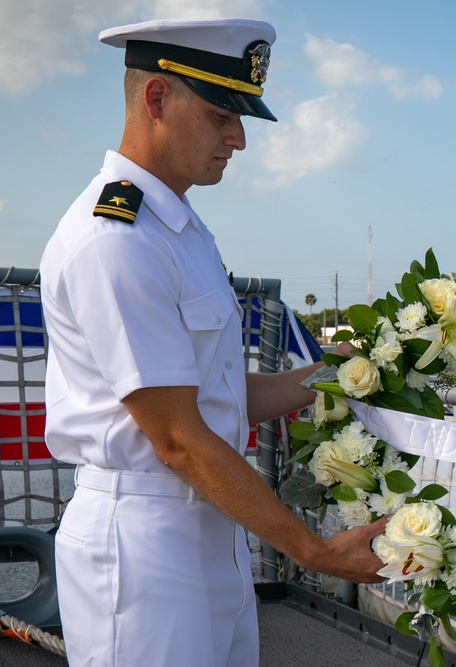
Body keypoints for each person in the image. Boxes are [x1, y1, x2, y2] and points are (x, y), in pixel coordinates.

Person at [39, 18, 385, 666]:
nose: (240, 138)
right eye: (223, 112)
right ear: (157, 99)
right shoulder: (117, 240)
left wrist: (337, 373)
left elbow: (217, 397)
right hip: (143, 544)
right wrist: (311, 548)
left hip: (211, 525)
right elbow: (176, 437)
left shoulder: (180, 228)